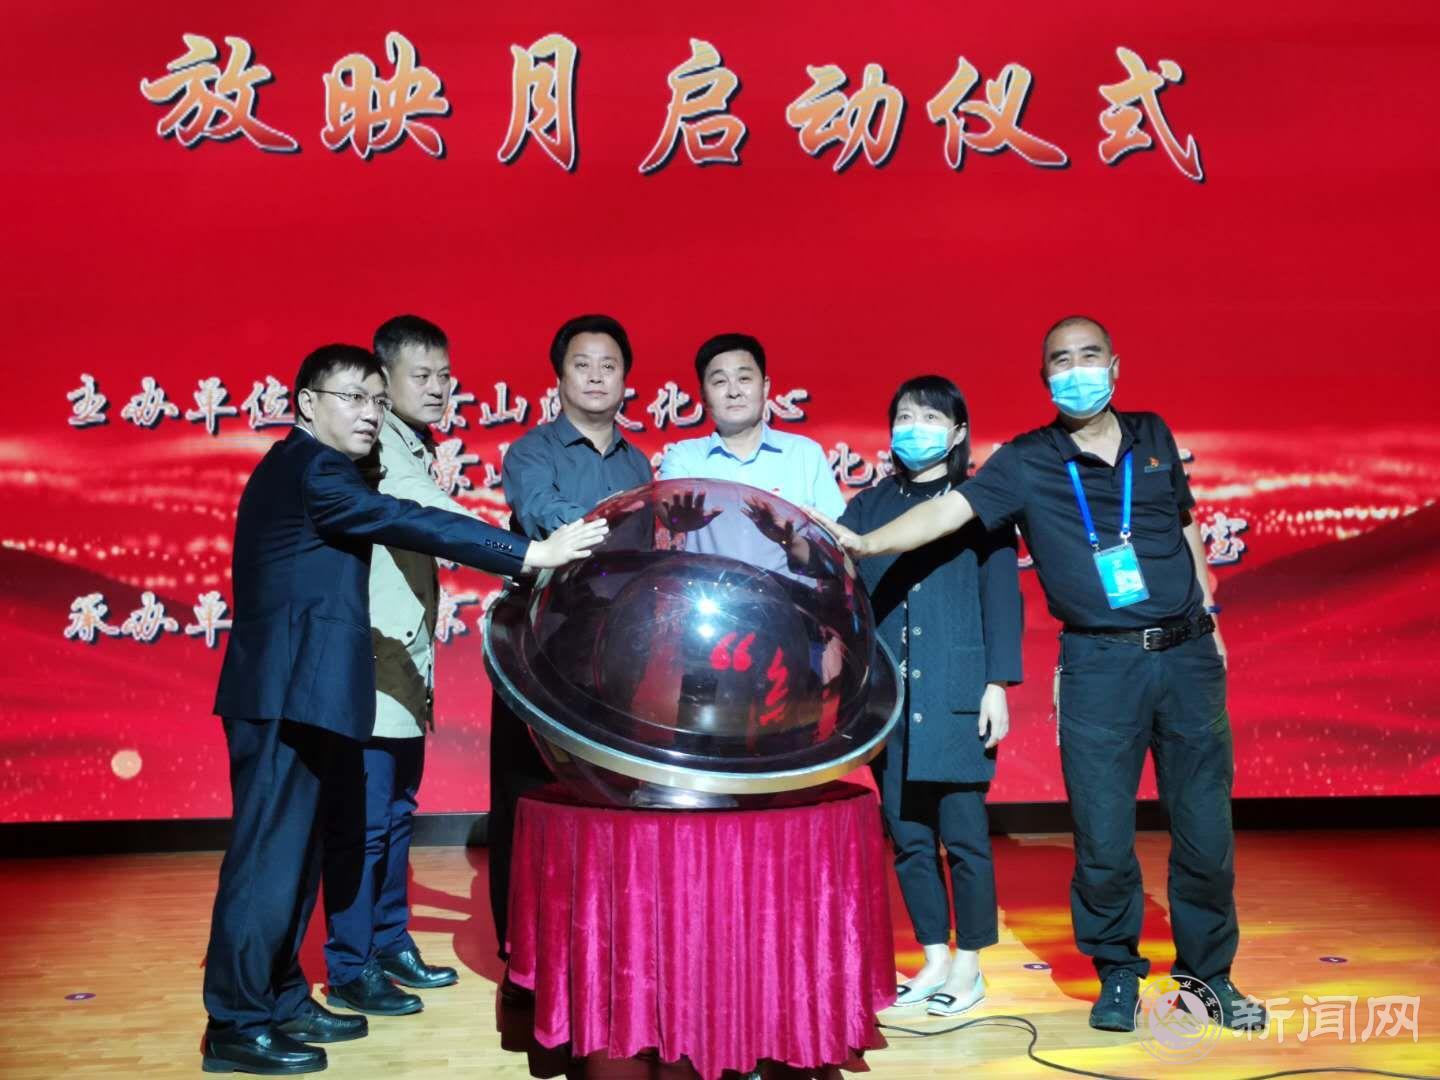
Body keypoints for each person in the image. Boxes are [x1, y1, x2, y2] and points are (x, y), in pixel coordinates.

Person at [815, 317, 1265, 1033]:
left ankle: (1208, 978)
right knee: (1104, 837)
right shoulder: (1026, 461)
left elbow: (1183, 524)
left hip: (1187, 658)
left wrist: (1210, 613)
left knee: (1206, 833)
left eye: (1089, 356)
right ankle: (1117, 972)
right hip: (1100, 662)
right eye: (1061, 361)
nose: (1076, 370)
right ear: (1045, 377)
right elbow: (947, 512)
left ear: (1115, 365)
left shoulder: (1153, 435)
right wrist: (866, 544)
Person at [201, 344, 606, 1075]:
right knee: (268, 861)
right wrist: (529, 555)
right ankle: (236, 1023)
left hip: (306, 692)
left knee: (296, 861)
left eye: (376, 401)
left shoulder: (311, 466)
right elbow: (405, 517)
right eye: (352, 398)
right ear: (306, 404)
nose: (368, 414)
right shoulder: (314, 467)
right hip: (282, 694)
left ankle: (281, 998)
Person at [837, 376, 1022, 1017]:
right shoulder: (867, 507)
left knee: (964, 838)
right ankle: (934, 958)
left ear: (958, 432)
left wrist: (997, 683)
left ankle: (970, 965)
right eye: (904, 417)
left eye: (930, 417)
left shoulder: (980, 504)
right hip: (888, 697)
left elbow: (1002, 597)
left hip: (956, 691)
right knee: (909, 836)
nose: (913, 428)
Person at [319, 316, 470, 1018]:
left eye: (445, 375)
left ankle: (388, 941)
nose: (438, 388)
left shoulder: (411, 443)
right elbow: (432, 513)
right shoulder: (379, 445)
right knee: (369, 822)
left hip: (404, 668)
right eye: (422, 376)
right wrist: (527, 555)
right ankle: (351, 965)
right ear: (383, 382)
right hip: (373, 667)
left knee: (398, 813)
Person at [493, 313, 651, 955]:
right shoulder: (532, 452)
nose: (595, 377)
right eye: (582, 365)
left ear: (626, 381)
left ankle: (602, 933)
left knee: (609, 787)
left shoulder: (640, 462)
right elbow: (542, 515)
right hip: (540, 644)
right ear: (559, 377)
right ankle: (521, 946)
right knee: (526, 792)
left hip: (616, 652)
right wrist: (615, 525)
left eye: (608, 366)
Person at [658, 333, 845, 532]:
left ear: (765, 387)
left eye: (744, 379)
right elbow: (667, 508)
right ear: (703, 395)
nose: (734, 392)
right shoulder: (684, 456)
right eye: (720, 382)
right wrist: (678, 518)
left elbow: (836, 534)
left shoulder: (805, 454)